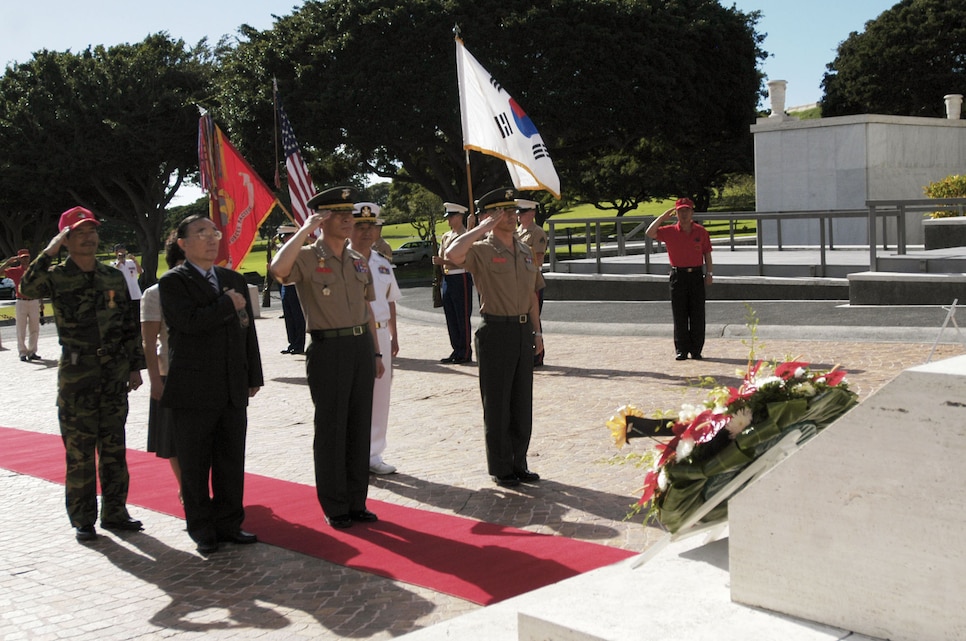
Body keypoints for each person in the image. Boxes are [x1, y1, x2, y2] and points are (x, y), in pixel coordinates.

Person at [20, 206, 146, 542]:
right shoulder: (57, 275)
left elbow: (127, 324)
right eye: (79, 233)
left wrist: (135, 366)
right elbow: (27, 288)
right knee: (79, 452)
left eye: (92, 231)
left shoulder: (112, 276)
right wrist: (50, 250)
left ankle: (116, 512)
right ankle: (83, 518)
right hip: (78, 374)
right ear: (66, 238)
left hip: (113, 372)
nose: (89, 237)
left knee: (114, 446)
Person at [270, 186, 385, 529]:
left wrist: (376, 350)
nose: (348, 219)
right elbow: (279, 269)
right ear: (322, 219)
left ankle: (356, 500)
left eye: (349, 213)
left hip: (360, 346)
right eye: (339, 214)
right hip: (327, 348)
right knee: (332, 427)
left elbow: (367, 309)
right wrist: (304, 231)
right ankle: (335, 504)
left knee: (358, 424)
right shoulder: (307, 256)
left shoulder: (357, 260)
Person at [158, 215, 264, 555]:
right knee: (195, 464)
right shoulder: (174, 281)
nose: (211, 238)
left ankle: (230, 524)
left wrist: (253, 375)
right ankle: (202, 529)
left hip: (232, 386)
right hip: (193, 390)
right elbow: (188, 323)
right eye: (201, 233)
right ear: (183, 244)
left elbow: (247, 329)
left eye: (214, 232)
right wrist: (225, 304)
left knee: (230, 460)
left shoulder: (232, 278)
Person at [445, 188, 544, 488]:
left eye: (513, 211)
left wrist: (537, 332)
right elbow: (452, 255)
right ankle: (501, 467)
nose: (512, 216)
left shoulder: (525, 250)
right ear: (490, 215)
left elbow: (531, 293)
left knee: (521, 402)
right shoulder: (482, 249)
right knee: (498, 403)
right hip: (495, 330)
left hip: (521, 329)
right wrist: (480, 229)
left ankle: (519, 462)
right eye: (504, 212)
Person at [349, 202, 401, 475]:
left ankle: (373, 453)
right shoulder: (342, 260)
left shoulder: (382, 263)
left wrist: (393, 335)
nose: (367, 232)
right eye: (360, 226)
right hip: (354, 334)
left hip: (380, 331)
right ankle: (353, 453)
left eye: (372, 226)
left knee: (380, 397)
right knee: (355, 396)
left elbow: (390, 301)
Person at [141, 232, 184, 502]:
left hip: (203, 374)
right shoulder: (155, 294)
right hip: (170, 373)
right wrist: (155, 380)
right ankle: (185, 486)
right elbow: (148, 343)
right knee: (173, 439)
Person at [645, 197, 714, 360]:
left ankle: (696, 349)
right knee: (680, 314)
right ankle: (681, 349)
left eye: (687, 210)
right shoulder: (669, 231)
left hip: (696, 275)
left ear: (692, 212)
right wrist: (662, 217)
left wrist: (709, 273)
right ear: (676, 213)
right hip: (678, 276)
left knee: (697, 313)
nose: (684, 214)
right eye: (680, 211)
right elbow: (649, 233)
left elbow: (707, 253)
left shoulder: (701, 231)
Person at [432, 202, 474, 364]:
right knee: (451, 316)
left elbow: (466, 261)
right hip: (447, 278)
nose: (448, 220)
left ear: (459, 217)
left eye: (451, 217)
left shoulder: (465, 235)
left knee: (462, 315)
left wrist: (442, 261)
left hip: (460, 276)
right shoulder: (446, 236)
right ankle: (456, 349)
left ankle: (465, 351)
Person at [516, 199, 548, 367]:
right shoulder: (516, 232)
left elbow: (539, 258)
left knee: (533, 316)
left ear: (532, 213)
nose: (518, 216)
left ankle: (538, 354)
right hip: (518, 280)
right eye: (518, 213)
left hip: (532, 278)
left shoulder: (537, 232)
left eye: (522, 213)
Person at [0, 249, 42, 361]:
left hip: (33, 301)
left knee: (34, 328)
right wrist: (8, 262)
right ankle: (22, 352)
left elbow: (39, 287)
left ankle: (32, 351)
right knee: (21, 328)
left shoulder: (34, 271)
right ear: (19, 258)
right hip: (21, 301)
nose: (25, 259)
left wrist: (41, 302)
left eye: (27, 257)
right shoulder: (15, 271)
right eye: (23, 257)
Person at [276, 225, 306, 355]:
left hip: (296, 286)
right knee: (289, 317)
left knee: (298, 317)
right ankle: (292, 343)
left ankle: (299, 344)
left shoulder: (299, 250)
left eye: (287, 237)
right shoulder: (282, 250)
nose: (285, 240)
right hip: (285, 286)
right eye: (283, 238)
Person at [113, 244, 143, 323]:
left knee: (137, 315)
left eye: (124, 252)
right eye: (120, 253)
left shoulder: (131, 263)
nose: (123, 255)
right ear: (116, 253)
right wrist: (119, 262)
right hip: (123, 294)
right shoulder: (114, 265)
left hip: (135, 293)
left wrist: (135, 261)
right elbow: (114, 274)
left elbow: (140, 271)